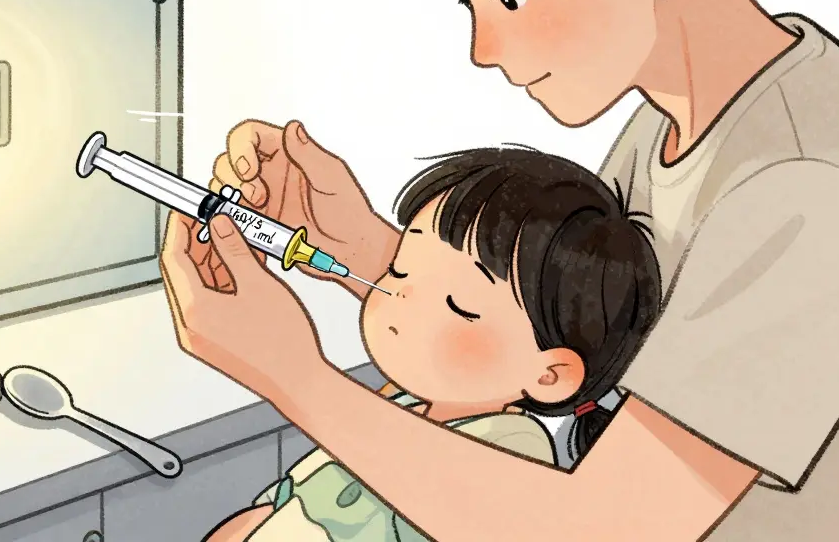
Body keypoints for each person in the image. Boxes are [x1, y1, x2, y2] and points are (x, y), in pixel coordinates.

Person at [161, 0, 839, 539]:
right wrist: (373, 252)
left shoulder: (808, 187)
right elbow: (558, 335)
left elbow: (606, 527)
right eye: (470, 4)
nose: (483, 51)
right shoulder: (683, 121)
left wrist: (291, 374)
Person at [186, 147, 662, 541]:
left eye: (458, 304)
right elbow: (289, 498)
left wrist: (291, 372)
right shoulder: (405, 403)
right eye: (401, 268)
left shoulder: (508, 448)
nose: (398, 294)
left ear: (548, 375)